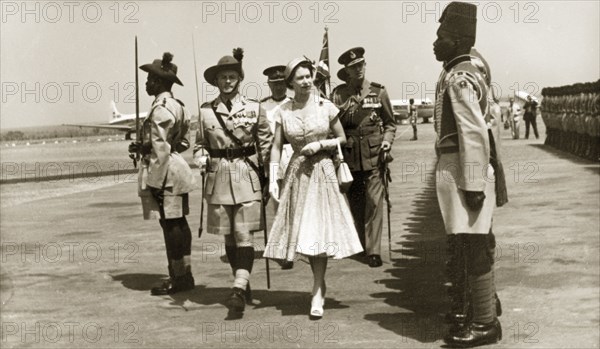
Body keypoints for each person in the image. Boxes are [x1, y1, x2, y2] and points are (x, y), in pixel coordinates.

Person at [264, 58, 363, 319]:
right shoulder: (283, 111)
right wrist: (274, 177)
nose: (306, 81)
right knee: (304, 233)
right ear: (290, 83)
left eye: (309, 76)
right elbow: (275, 146)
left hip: (323, 171)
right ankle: (318, 283)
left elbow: (342, 137)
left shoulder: (325, 106)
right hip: (298, 173)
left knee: (319, 229)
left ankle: (318, 289)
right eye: (300, 78)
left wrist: (321, 146)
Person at [432, 2, 502, 346]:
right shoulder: (465, 69)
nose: (435, 41)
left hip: (462, 168)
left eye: (441, 35)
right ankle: (481, 310)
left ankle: (486, 323)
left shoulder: (460, 76)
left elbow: (474, 133)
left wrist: (474, 183)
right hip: (459, 166)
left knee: (474, 245)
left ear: (458, 39)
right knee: (472, 242)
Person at [193, 48, 270, 314]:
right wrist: (200, 157)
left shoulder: (254, 107)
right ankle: (243, 278)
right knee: (229, 237)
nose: (227, 81)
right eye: (223, 77)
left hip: (246, 176)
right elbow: (200, 144)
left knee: (244, 234)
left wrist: (268, 176)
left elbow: (266, 144)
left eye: (232, 76)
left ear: (239, 79)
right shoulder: (205, 112)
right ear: (216, 81)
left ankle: (237, 289)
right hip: (218, 177)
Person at [128, 52, 196, 296]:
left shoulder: (160, 109)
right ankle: (184, 273)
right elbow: (184, 143)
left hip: (165, 174)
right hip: (176, 168)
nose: (146, 83)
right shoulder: (179, 106)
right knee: (179, 223)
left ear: (159, 82)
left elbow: (159, 148)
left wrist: (155, 182)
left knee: (170, 225)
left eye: (149, 79)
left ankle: (178, 277)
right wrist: (147, 147)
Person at [330, 47, 397, 268]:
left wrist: (387, 141)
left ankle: (374, 251)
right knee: (356, 204)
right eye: (353, 67)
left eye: (361, 65)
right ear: (346, 71)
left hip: (374, 156)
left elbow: (390, 124)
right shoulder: (338, 95)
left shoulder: (378, 92)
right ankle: (361, 244)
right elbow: (331, 125)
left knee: (374, 202)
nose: (358, 69)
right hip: (349, 158)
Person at [257, 64, 294, 270]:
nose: (278, 87)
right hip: (272, 157)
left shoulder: (294, 103)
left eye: (281, 83)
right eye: (274, 84)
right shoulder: (262, 106)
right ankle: (282, 248)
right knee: (278, 203)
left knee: (296, 202)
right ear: (269, 85)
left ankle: (297, 244)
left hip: (293, 155)